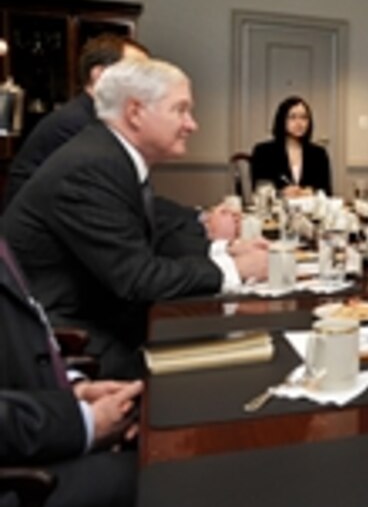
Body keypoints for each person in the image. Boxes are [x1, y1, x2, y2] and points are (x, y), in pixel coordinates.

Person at [1, 59, 268, 379]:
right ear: (135, 112)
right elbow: (138, 278)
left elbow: (148, 237)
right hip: (65, 339)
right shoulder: (92, 166)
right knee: (226, 372)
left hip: (101, 316)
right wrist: (236, 269)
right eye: (180, 110)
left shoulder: (110, 154)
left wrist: (221, 253)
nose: (192, 124)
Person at [0, 236, 142, 507]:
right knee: (166, 478)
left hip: (39, 432)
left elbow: (23, 342)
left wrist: (76, 389)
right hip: (19, 483)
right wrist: (84, 422)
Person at [3, 34, 149, 207]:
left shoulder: (96, 117)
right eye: (137, 72)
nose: (146, 83)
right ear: (100, 75)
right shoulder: (75, 124)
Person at [251, 96, 332, 197]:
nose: (299, 123)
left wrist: (312, 192)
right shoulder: (263, 152)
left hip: (310, 210)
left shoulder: (319, 154)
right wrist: (281, 192)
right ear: (282, 120)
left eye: (304, 118)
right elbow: (259, 190)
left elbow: (326, 191)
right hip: (276, 211)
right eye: (293, 117)